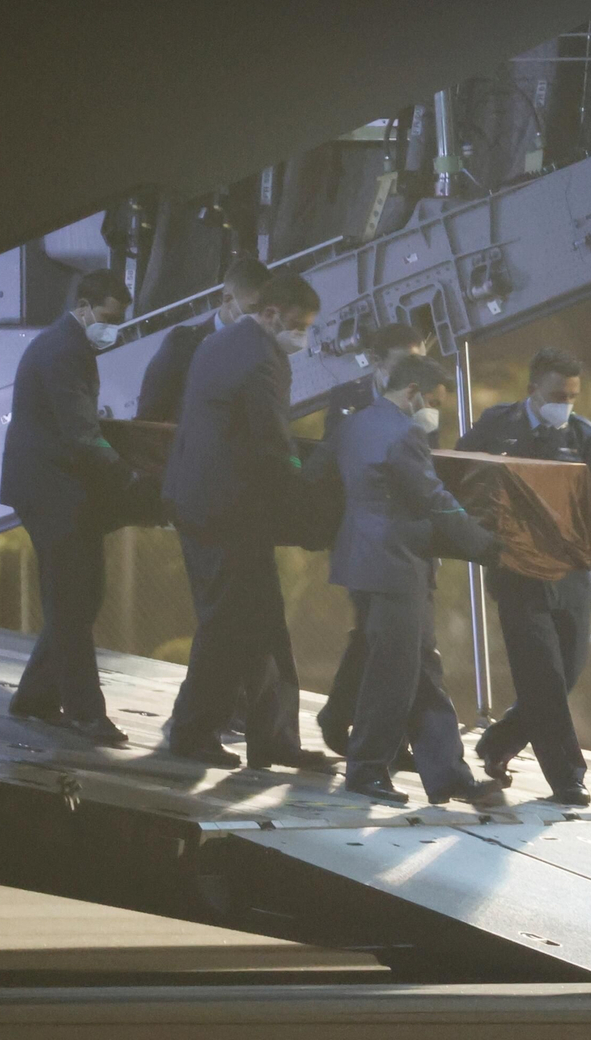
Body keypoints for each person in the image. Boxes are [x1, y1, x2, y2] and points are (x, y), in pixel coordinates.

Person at [308, 355, 504, 805]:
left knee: (421, 669)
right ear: (413, 391)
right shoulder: (405, 435)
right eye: (433, 401)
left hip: (360, 561)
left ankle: (448, 773)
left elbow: (316, 474)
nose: (434, 412)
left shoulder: (353, 425)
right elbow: (434, 499)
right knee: (393, 675)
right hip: (396, 565)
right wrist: (483, 544)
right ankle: (367, 769)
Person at [161, 271, 330, 771]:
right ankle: (193, 731)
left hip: (202, 502)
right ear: (272, 314)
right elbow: (273, 444)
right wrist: (306, 499)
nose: (303, 336)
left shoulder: (221, 341)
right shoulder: (262, 358)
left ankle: (274, 738)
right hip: (227, 511)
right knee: (230, 625)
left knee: (260, 621)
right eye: (299, 325)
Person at [456, 346, 591, 806]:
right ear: (532, 390)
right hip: (517, 573)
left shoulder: (584, 437)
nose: (566, 403)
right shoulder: (498, 425)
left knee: (567, 672)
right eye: (558, 394)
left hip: (569, 574)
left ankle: (499, 742)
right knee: (542, 675)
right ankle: (567, 778)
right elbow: (460, 477)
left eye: (573, 396)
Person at [2, 270, 142, 745]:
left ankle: (37, 698)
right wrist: (127, 475)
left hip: (52, 489)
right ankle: (85, 712)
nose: (113, 328)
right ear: (83, 306)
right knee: (73, 598)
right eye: (108, 317)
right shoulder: (65, 350)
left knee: (80, 596)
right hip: (50, 491)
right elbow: (81, 434)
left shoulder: (65, 344)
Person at [316, 321, 432, 757]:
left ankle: (362, 723)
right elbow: (334, 459)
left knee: (385, 636)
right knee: (383, 635)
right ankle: (377, 735)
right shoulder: (349, 399)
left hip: (406, 538)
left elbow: (428, 460)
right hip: (365, 533)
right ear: (379, 363)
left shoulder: (420, 401)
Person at [137, 257, 271, 422]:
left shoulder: (262, 353)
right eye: (253, 308)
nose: (260, 318)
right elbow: (149, 416)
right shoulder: (183, 345)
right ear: (228, 300)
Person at [322, 321, 428, 438]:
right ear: (376, 360)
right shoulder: (346, 397)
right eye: (401, 366)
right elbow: (331, 447)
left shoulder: (425, 400)